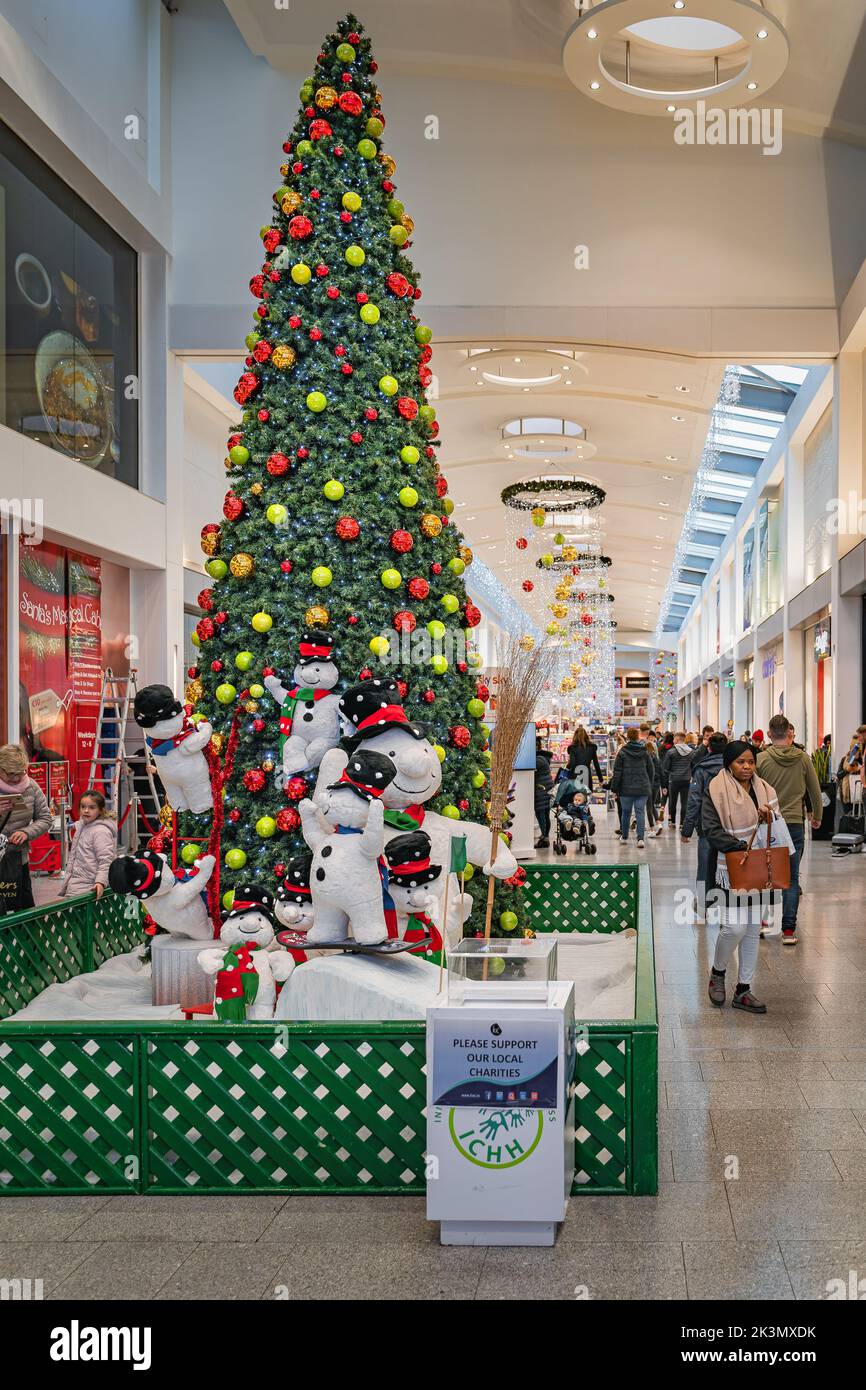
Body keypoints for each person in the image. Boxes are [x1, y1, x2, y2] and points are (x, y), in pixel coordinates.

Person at [703, 741, 790, 1015]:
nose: (747, 767)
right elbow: (711, 829)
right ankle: (718, 973)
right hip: (731, 867)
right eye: (741, 762)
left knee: (752, 929)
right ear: (730, 763)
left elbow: (778, 825)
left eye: (751, 761)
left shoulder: (765, 790)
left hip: (760, 867)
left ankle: (744, 989)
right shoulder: (716, 789)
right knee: (734, 928)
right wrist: (740, 847)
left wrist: (770, 817)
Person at [757, 715, 823, 945]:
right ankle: (788, 931)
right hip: (794, 822)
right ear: (789, 733)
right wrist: (817, 817)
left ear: (769, 734)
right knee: (791, 878)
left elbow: (753, 792)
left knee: (765, 874)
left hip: (768, 823)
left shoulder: (761, 759)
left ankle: (764, 924)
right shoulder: (804, 758)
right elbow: (815, 791)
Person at [682, 732, 728, 920]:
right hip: (729, 825)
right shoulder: (732, 768)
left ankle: (702, 904)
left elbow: (694, 801)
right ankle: (727, 904)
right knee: (729, 865)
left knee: (705, 865)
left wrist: (686, 830)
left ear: (708, 748)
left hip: (706, 826)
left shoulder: (701, 770)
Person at [0, 744, 51, 910]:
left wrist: (26, 832)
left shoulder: (32, 787)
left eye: (20, 773)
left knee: (22, 908)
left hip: (18, 859)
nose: (16, 779)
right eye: (11, 774)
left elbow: (45, 818)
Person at [56, 790, 117, 900]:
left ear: (100, 810)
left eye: (92, 807)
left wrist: (100, 882)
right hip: (76, 884)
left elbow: (106, 860)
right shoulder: (82, 826)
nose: (86, 810)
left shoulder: (101, 832)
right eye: (83, 807)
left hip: (90, 887)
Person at [610, 727, 653, 848]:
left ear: (628, 737)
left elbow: (617, 772)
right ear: (638, 736)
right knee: (640, 812)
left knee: (626, 813)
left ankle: (624, 837)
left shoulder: (622, 752)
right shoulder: (645, 751)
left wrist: (614, 789)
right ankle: (640, 839)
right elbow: (651, 770)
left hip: (625, 788)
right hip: (642, 787)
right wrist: (648, 783)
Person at [661, 732, 694, 831]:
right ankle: (682, 824)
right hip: (686, 779)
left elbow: (666, 768)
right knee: (684, 802)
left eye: (674, 739)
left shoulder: (671, 752)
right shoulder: (691, 752)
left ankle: (673, 822)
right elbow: (693, 765)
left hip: (674, 779)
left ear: (677, 739)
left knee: (673, 802)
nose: (673, 741)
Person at [534, 739, 554, 848]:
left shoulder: (538, 759)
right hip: (545, 788)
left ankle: (544, 837)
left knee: (541, 813)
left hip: (541, 789)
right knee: (545, 814)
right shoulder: (543, 757)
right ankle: (545, 836)